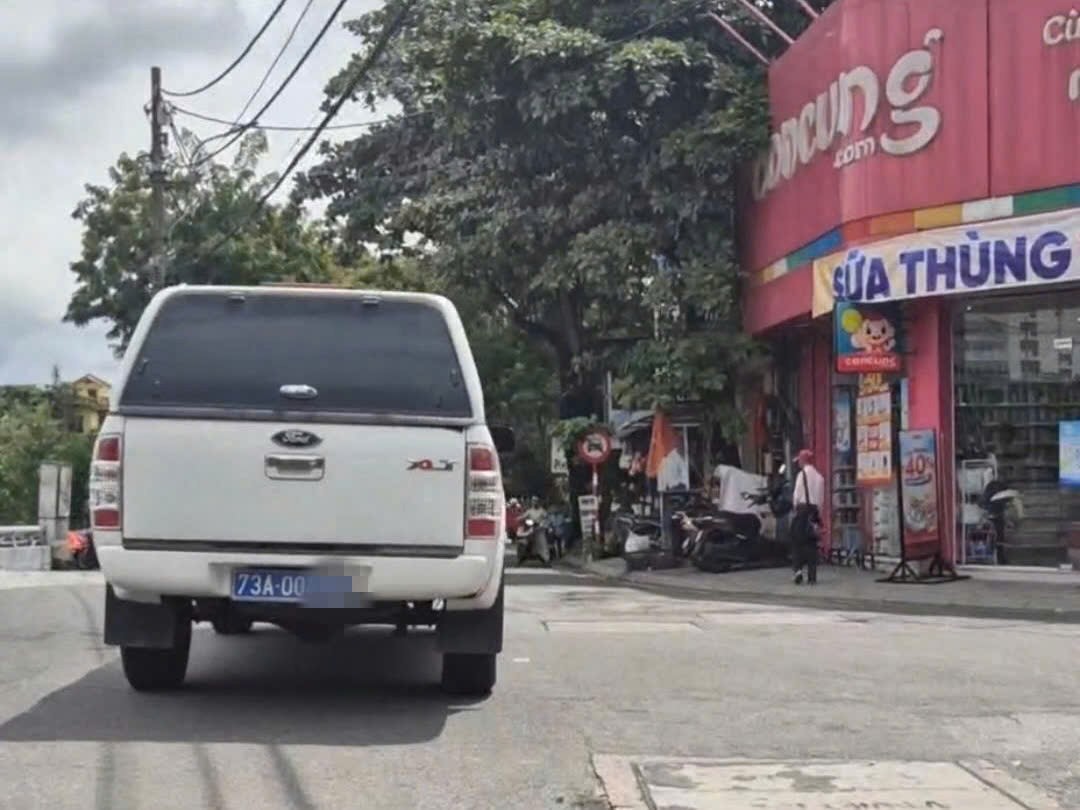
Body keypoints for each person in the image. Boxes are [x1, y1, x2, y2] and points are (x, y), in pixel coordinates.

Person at [790, 448, 824, 585]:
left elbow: (796, 496)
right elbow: (821, 500)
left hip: (802, 510)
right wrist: (817, 517)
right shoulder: (820, 477)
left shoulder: (801, 475)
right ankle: (812, 576)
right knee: (811, 544)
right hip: (814, 511)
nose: (798, 463)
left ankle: (798, 570)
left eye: (799, 461)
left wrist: (795, 508)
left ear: (803, 461)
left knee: (796, 541)